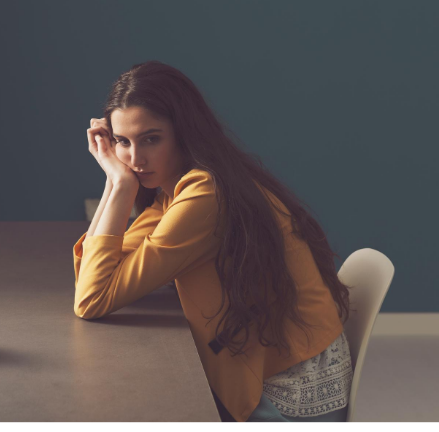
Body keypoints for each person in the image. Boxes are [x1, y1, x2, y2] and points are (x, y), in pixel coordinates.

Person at [73, 61, 354, 422]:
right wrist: (116, 183)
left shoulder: (205, 193)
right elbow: (92, 280)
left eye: (151, 139)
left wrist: (121, 183)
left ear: (185, 132)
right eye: (123, 143)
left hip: (288, 395)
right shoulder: (177, 188)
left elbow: (92, 298)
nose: (135, 159)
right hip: (271, 365)